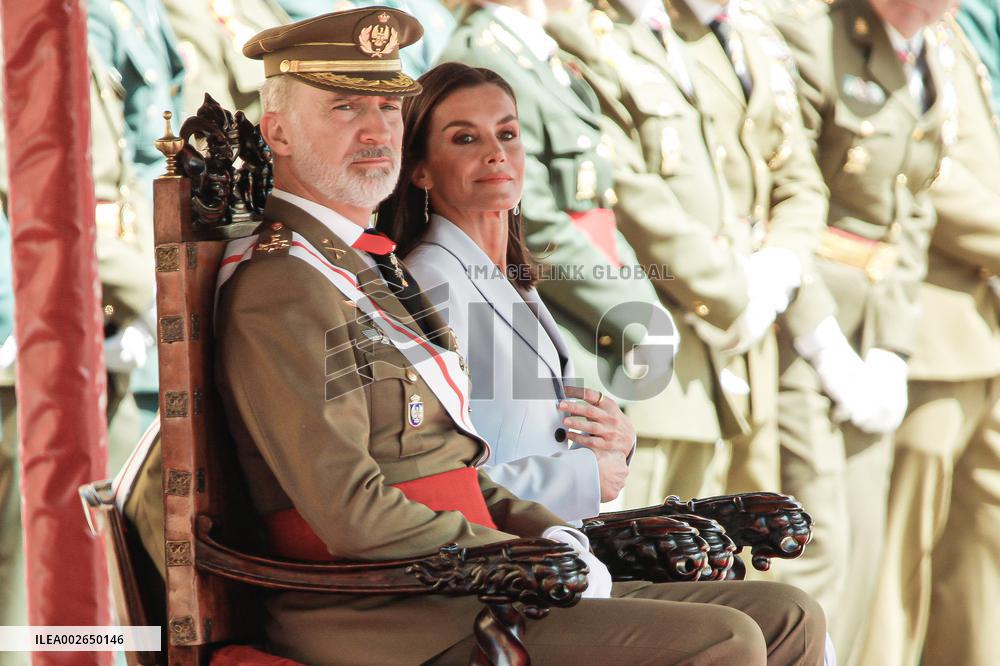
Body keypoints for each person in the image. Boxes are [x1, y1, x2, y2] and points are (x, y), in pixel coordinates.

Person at [203, 10, 826, 663]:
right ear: (277, 131)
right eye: (344, 107)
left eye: (389, 107)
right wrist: (514, 552)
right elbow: (350, 510)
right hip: (389, 614)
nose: (376, 129)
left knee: (788, 615)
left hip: (466, 583)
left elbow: (457, 468)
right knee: (725, 640)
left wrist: (553, 533)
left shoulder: (361, 265)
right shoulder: (286, 282)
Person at [768, 0, 957, 660]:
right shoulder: (814, 36)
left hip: (874, 324)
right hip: (803, 323)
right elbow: (783, 199)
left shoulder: (932, 48)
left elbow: (915, 209)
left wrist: (891, 349)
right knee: (814, 546)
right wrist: (823, 342)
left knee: (863, 550)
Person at [379, 62, 636, 522]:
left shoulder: (509, 278)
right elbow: (427, 482)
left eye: (508, 134)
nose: (496, 153)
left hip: (556, 553)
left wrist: (614, 440)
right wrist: (582, 477)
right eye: (465, 138)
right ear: (420, 170)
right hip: (496, 570)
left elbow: (537, 436)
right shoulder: (430, 285)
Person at [440, 0, 678, 430]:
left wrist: (640, 304)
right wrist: (631, 313)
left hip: (593, 323)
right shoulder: (484, 55)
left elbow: (595, 206)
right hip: (551, 324)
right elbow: (527, 220)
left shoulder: (539, 53)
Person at [859, 12, 1000, 666]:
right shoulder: (888, 23)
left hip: (979, 327)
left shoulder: (954, 26)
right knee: (896, 565)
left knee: (977, 555)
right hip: (922, 328)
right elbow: (914, 167)